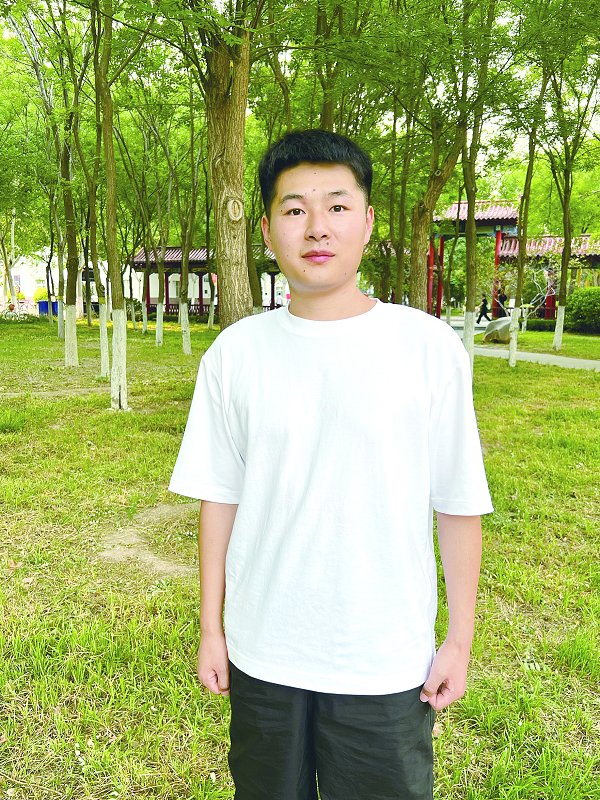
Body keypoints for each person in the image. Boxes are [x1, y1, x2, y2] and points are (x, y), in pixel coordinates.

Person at [169, 130, 493, 800]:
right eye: (295, 209)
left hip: (383, 660)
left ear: (368, 223)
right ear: (267, 231)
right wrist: (211, 629)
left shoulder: (427, 348)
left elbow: (458, 501)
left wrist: (459, 640)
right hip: (264, 653)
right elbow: (218, 497)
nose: (317, 227)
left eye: (337, 206)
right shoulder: (236, 354)